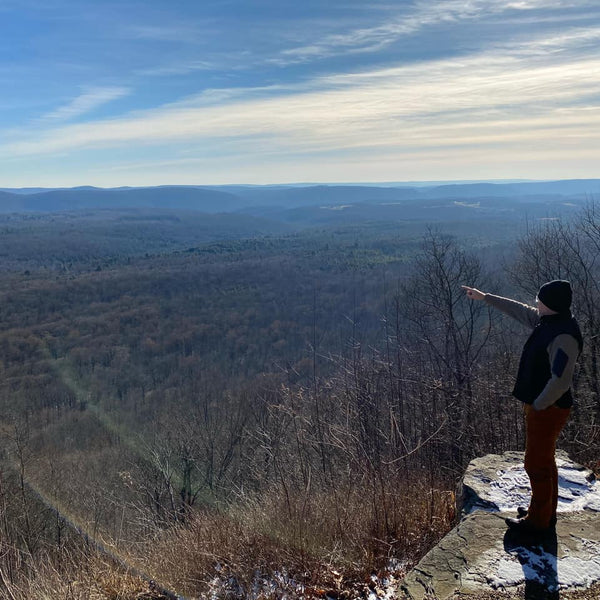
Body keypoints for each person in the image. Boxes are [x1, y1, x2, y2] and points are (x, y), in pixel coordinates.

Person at [462, 280, 583, 536]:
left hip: (548, 408)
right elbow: (519, 310)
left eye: (540, 300)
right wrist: (486, 297)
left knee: (536, 465)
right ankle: (543, 514)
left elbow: (561, 381)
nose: (535, 303)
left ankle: (537, 524)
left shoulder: (563, 336)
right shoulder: (549, 321)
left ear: (550, 305)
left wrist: (539, 405)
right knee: (545, 461)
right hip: (543, 406)